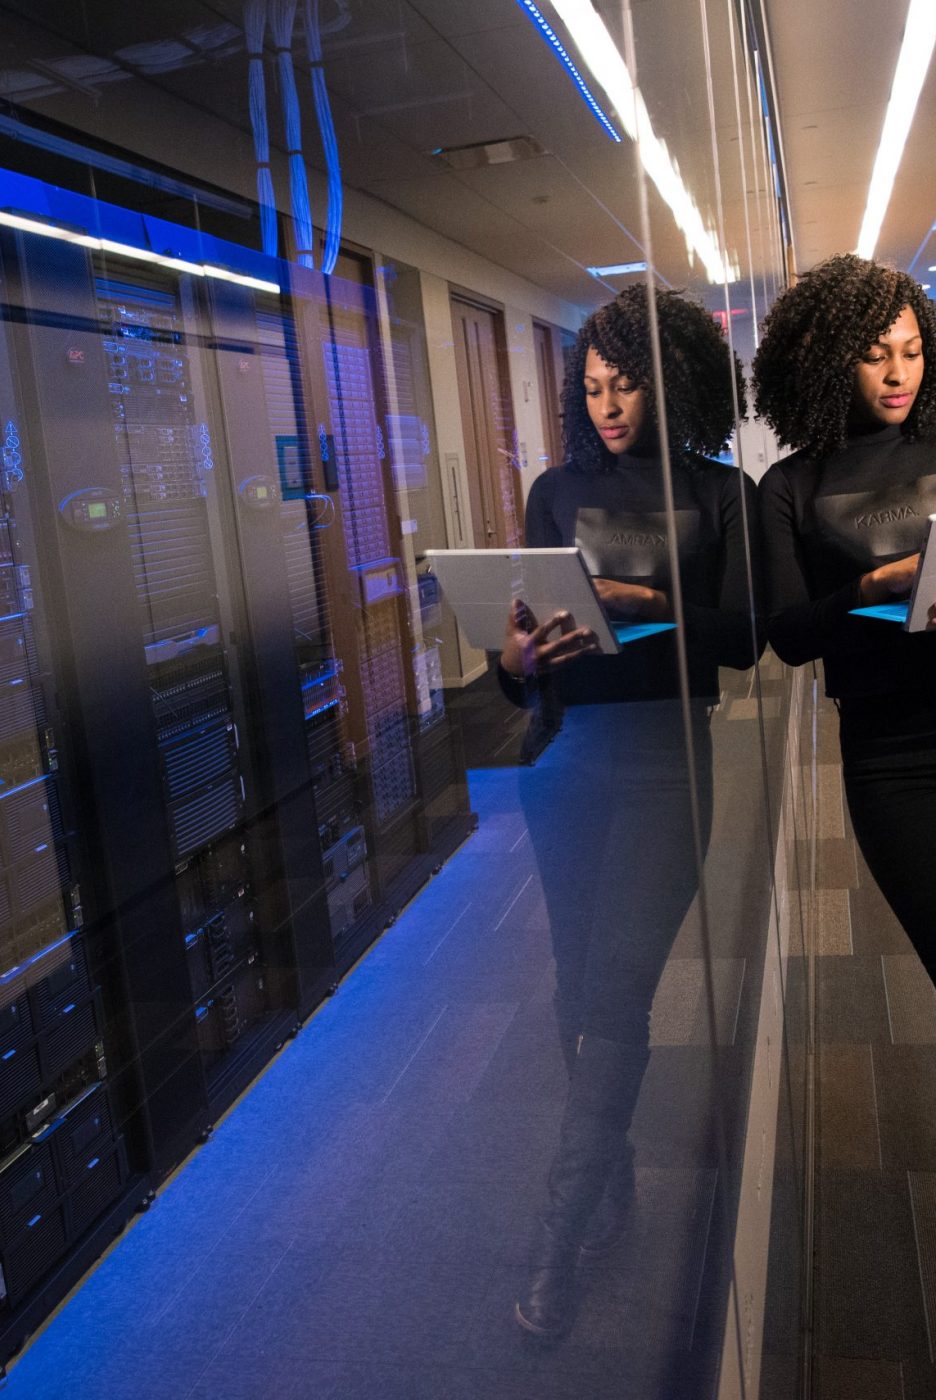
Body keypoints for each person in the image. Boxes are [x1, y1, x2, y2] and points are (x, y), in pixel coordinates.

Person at [500, 283, 760, 1340]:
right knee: (576, 991)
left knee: (612, 992)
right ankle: (610, 1184)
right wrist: (514, 661)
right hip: (566, 761)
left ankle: (558, 1234)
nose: (609, 404)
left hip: (665, 769)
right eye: (594, 386)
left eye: (627, 383)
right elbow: (519, 669)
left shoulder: (715, 489)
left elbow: (746, 637)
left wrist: (645, 605)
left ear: (669, 380)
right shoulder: (553, 490)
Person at [754, 254, 936, 988]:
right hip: (889, 755)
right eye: (874, 356)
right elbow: (791, 636)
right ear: (832, 364)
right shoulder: (792, 485)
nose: (898, 374)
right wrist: (871, 586)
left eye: (913, 351)